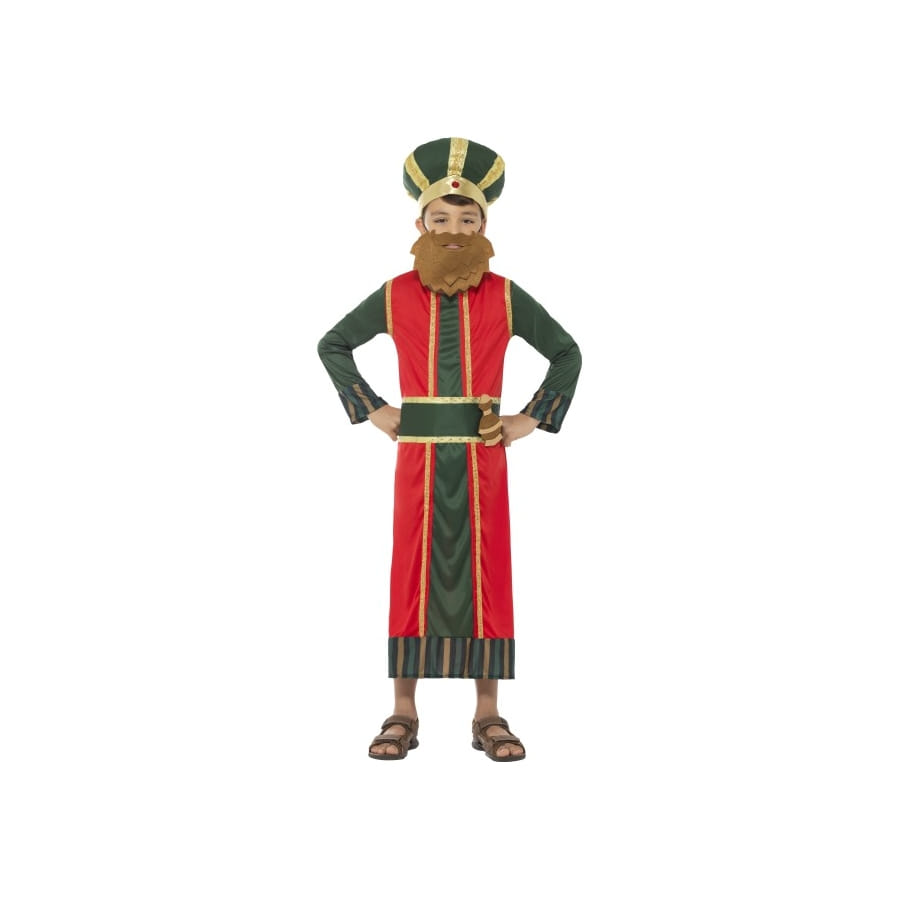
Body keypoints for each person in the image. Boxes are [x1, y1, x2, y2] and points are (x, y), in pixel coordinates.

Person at [317, 137, 582, 761]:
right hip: (418, 456)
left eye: (467, 220)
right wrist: (373, 408)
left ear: (484, 226)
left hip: (483, 457)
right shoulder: (395, 294)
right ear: (421, 225)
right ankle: (403, 709)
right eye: (441, 219)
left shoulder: (506, 295)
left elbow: (567, 352)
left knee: (488, 573)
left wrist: (529, 419)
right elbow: (333, 344)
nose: (454, 231)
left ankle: (488, 711)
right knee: (411, 570)